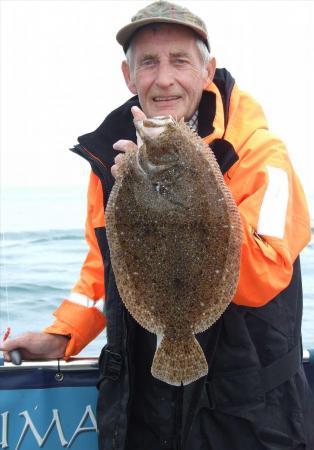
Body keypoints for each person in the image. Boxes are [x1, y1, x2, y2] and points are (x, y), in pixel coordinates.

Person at [2, 1, 314, 449]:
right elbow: (108, 268)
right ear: (129, 77)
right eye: (148, 62)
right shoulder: (113, 160)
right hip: (143, 409)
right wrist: (63, 333)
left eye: (180, 60)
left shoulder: (263, 155)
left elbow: (266, 274)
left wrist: (182, 194)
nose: (164, 78)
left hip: (247, 412)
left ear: (208, 69)